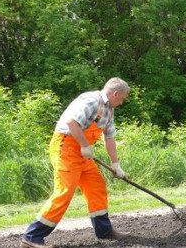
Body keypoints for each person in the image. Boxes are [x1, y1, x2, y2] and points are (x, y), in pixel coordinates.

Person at [21, 78, 130, 248]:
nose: (122, 102)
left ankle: (104, 231)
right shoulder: (91, 100)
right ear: (115, 94)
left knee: (97, 186)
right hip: (66, 148)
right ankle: (32, 237)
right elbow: (72, 122)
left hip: (82, 154)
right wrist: (85, 145)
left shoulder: (109, 109)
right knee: (64, 193)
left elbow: (109, 137)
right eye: (122, 98)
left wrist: (116, 164)